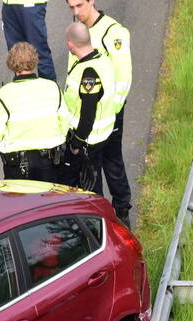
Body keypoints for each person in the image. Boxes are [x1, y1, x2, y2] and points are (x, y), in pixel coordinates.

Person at [65, 0, 132, 225]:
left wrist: (111, 112)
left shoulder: (113, 32)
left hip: (108, 114)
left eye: (80, 5)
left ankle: (122, 211)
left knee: (112, 163)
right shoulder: (80, 32)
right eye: (71, 7)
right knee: (91, 172)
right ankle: (102, 219)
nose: (76, 12)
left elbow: (124, 77)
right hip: (87, 116)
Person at [0, 43, 68, 182]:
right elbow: (64, 124)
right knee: (50, 202)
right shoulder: (52, 88)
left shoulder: (4, 94)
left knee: (21, 203)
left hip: (17, 166)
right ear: (35, 61)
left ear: (11, 64)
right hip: (50, 163)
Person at [62, 23, 118, 195]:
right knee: (93, 183)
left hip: (89, 140)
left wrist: (76, 144)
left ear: (70, 44)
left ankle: (96, 221)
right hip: (103, 135)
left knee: (88, 190)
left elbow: (88, 113)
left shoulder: (88, 72)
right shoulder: (103, 59)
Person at [0, 0, 56, 81]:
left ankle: (49, 90)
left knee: (39, 51)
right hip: (8, 4)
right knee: (16, 53)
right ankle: (23, 89)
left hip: (31, 4)